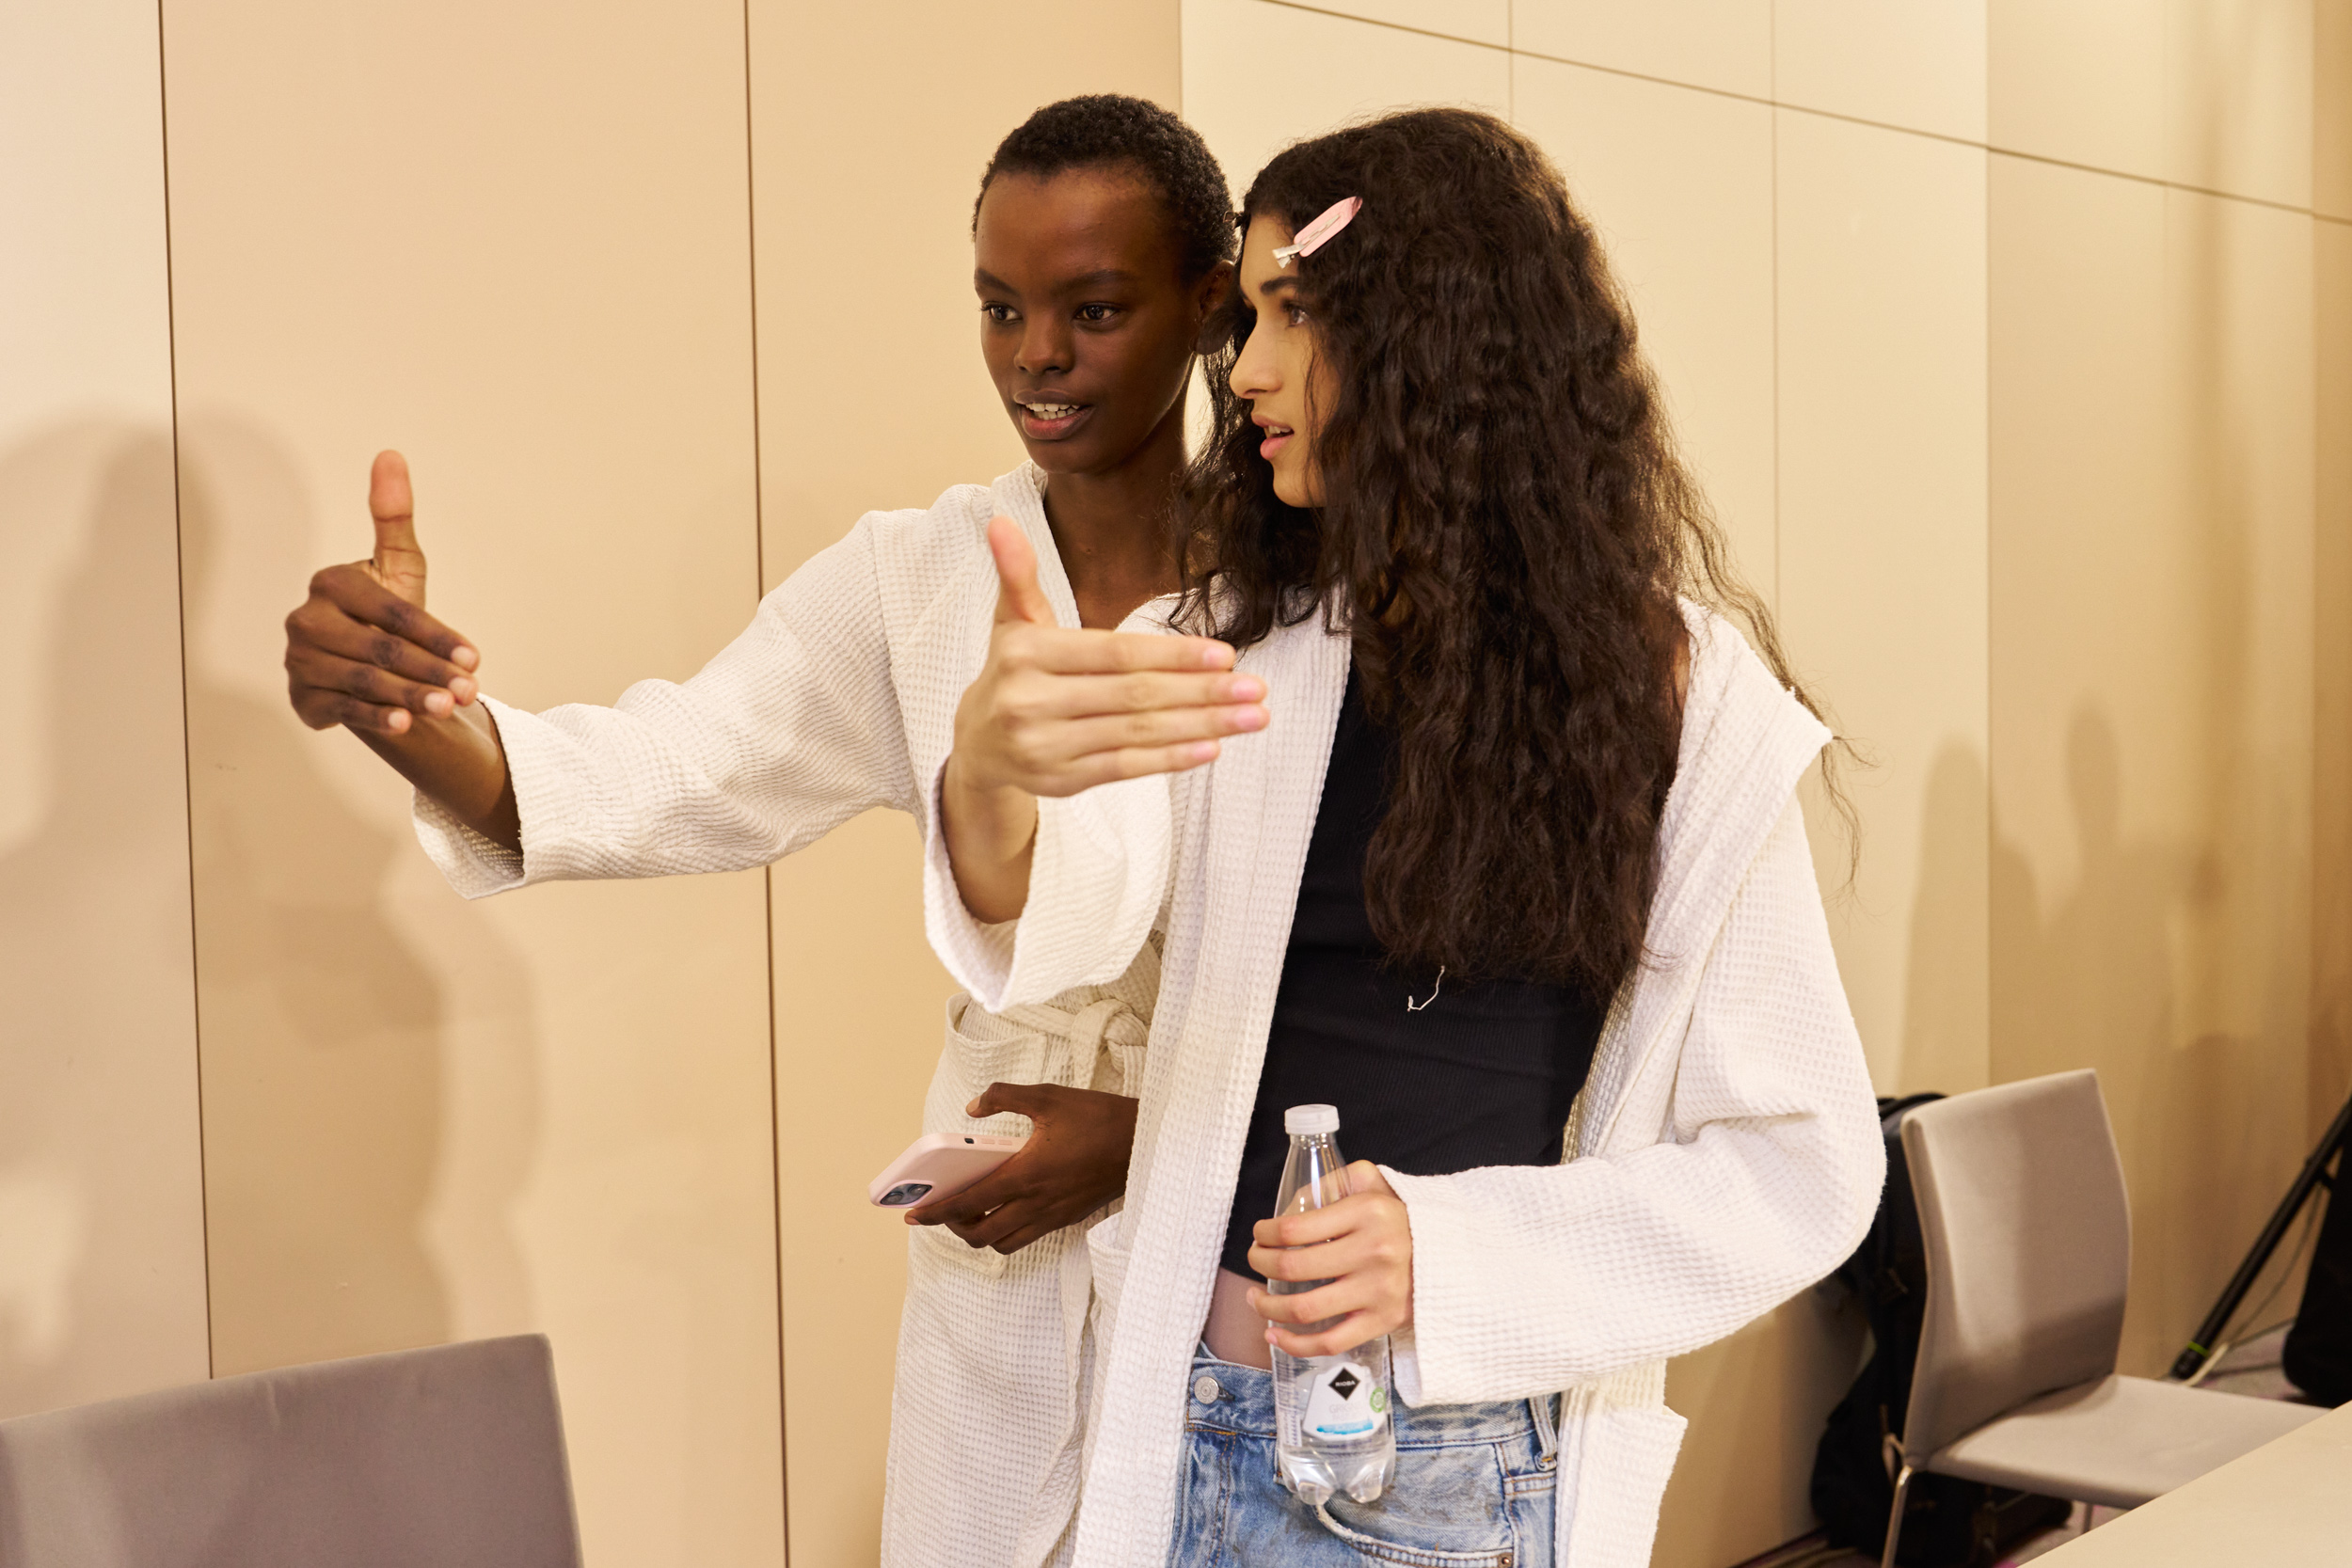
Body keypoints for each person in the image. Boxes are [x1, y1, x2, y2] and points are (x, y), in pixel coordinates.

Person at [279, 96, 1262, 1568]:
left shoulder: (1306, 601)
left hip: (1240, 1299)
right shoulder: (916, 578)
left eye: (1093, 309)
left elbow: (1391, 1009)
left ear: (1207, 307)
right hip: (998, 1318)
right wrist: (413, 715)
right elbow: (671, 768)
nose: (1034, 357)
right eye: (999, 308)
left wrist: (1142, 1145)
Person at [932, 108, 1886, 1567]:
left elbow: (1801, 1166)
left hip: (1439, 1476)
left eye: (1290, 314)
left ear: (1434, 341)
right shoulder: (1225, 649)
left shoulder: (1680, 700)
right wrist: (993, 775)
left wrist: (1441, 1254)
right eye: (1243, 317)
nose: (1240, 371)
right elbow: (1067, 901)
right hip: (1188, 1430)